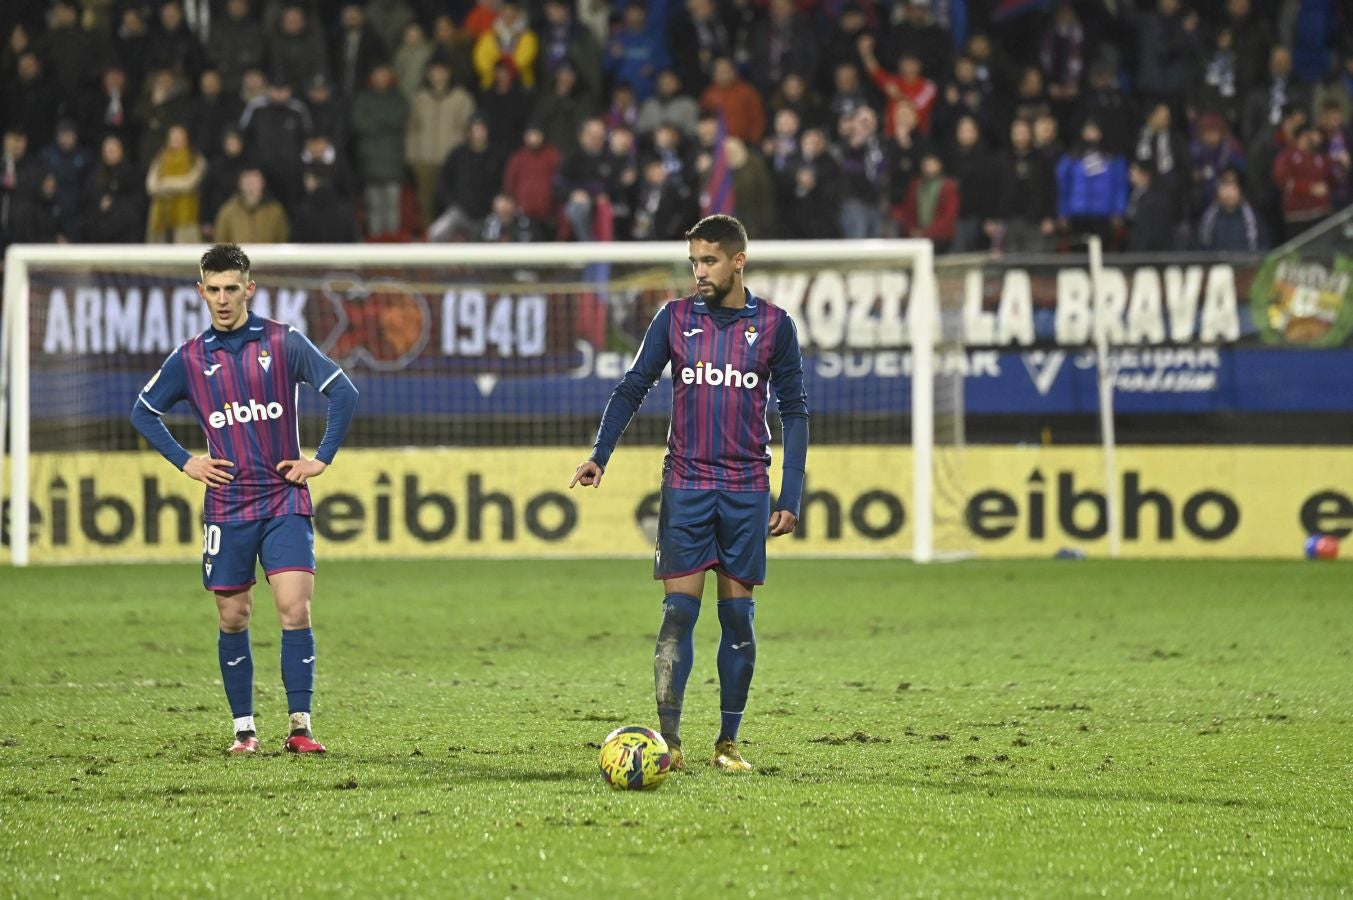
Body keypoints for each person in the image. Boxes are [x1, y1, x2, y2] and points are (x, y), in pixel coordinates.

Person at [569, 215, 808, 773]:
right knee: (678, 612)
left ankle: (727, 743)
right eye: (693, 262)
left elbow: (795, 410)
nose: (698, 272)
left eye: (709, 261)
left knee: (738, 620)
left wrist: (789, 494)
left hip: (748, 488)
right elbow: (633, 386)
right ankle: (669, 744)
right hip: (687, 483)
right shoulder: (675, 319)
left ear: (737, 262)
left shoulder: (775, 326)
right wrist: (599, 454)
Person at [129, 244, 358, 755]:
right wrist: (186, 461)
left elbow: (345, 393)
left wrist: (319, 459)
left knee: (294, 609)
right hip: (227, 508)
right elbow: (144, 413)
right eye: (214, 289)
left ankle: (300, 727)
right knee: (233, 618)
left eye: (232, 288)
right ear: (201, 292)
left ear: (249, 289)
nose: (223, 298)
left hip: (283, 501)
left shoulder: (283, 341)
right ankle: (244, 729)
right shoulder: (190, 358)